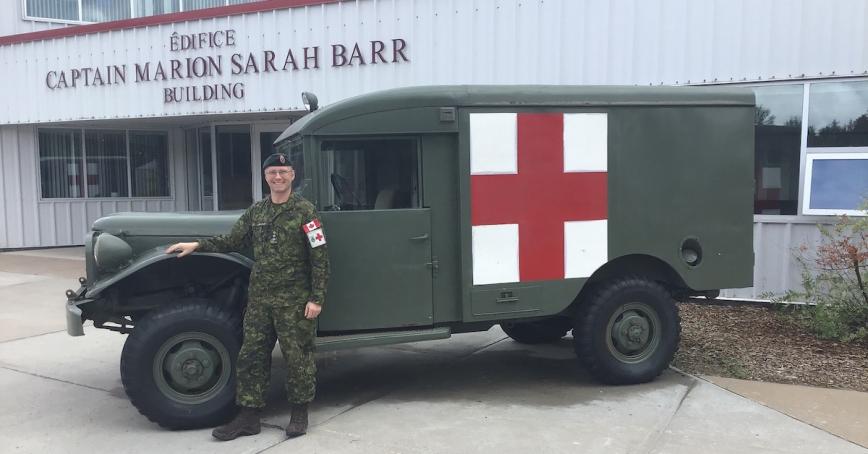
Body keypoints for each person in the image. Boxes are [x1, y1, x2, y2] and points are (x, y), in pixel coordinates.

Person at [165, 152, 329, 441]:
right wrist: (197, 244)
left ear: (292, 176)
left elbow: (320, 256)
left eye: (282, 172)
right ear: (266, 177)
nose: (277, 177)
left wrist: (316, 299)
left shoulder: (306, 211)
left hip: (294, 301)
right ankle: (249, 417)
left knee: (298, 358)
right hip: (261, 300)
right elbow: (232, 240)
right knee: (251, 357)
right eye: (272, 173)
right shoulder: (258, 212)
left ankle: (299, 414)